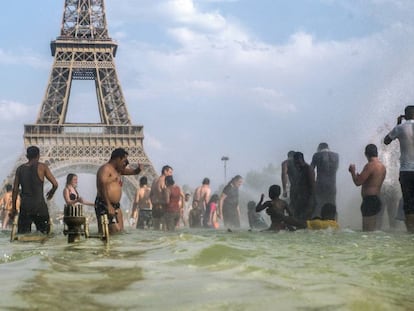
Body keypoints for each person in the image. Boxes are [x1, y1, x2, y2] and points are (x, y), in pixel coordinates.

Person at [11, 146, 58, 234]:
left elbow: (15, 190)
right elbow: (55, 184)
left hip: (25, 207)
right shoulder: (42, 167)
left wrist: (13, 208)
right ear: (38, 155)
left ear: (26, 156)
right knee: (45, 235)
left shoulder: (20, 169)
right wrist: (51, 192)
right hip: (39, 206)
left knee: (22, 235)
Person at [95, 148, 142, 234]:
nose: (125, 163)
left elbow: (133, 172)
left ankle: (114, 247)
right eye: (124, 161)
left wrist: (138, 170)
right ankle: (104, 247)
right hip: (105, 204)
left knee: (120, 232)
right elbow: (101, 185)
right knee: (110, 231)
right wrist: (108, 205)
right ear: (117, 158)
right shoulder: (106, 168)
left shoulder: (118, 171)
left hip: (116, 205)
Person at [384, 105, 414, 232]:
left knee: (408, 202)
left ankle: (411, 232)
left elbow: (386, 141)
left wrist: (397, 124)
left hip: (406, 171)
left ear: (404, 115)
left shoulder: (400, 128)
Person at [349, 144, 386, 231]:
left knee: (367, 233)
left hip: (369, 201)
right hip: (377, 199)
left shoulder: (370, 165)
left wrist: (353, 172)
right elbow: (372, 181)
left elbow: (358, 182)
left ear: (366, 154)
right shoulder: (382, 167)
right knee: (373, 231)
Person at [311, 143, 339, 218]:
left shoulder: (316, 155)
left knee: (318, 205)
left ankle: (318, 225)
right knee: (332, 205)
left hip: (320, 184)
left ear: (319, 148)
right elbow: (335, 169)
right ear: (328, 147)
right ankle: (334, 223)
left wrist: (312, 183)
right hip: (332, 185)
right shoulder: (336, 156)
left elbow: (311, 170)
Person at [268, 203, 339, 230]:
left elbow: (298, 223)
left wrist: (278, 214)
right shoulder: (336, 225)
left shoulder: (318, 223)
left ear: (322, 213)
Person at [290, 152, 315, 221]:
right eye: (295, 162)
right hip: (300, 200)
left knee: (304, 221)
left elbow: (313, 186)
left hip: (307, 200)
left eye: (297, 162)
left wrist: (311, 202)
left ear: (301, 159)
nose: (296, 164)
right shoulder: (300, 170)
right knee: (297, 219)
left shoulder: (308, 169)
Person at [150, 165, 173, 230]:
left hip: (155, 207)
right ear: (165, 171)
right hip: (163, 207)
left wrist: (154, 203)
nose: (171, 174)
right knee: (164, 230)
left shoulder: (155, 180)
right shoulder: (164, 181)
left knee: (155, 229)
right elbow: (167, 196)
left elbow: (151, 195)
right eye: (170, 172)